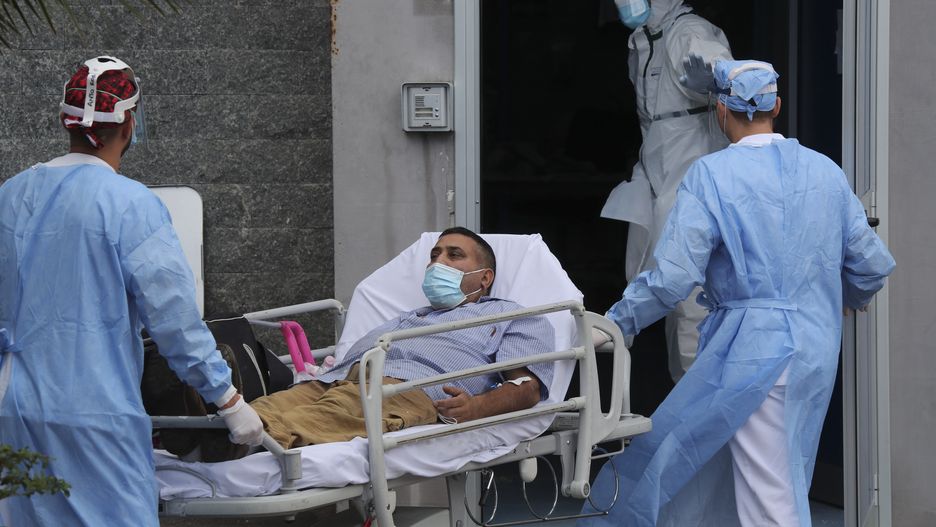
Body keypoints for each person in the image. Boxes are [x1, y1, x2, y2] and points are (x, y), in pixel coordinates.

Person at [581, 60, 895, 526]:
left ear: (719, 110)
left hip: (753, 350)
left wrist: (615, 324)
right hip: (814, 344)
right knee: (780, 469)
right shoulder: (824, 170)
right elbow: (869, 264)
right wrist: (847, 297)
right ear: (778, 106)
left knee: (769, 491)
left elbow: (671, 277)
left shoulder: (712, 174)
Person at [0, 56, 263, 527]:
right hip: (93, 412)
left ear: (67, 121)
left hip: (12, 412)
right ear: (128, 121)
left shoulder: (11, 195)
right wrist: (227, 399)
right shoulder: (131, 204)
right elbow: (174, 321)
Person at [189, 227, 555, 459]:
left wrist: (474, 407)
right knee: (273, 402)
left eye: (453, 255)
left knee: (331, 413)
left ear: (485, 277)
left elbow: (526, 387)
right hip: (337, 380)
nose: (437, 262)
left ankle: (226, 442)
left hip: (410, 391)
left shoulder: (510, 316)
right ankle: (198, 426)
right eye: (434, 255)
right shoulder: (414, 315)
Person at [602, 0, 733, 382]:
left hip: (691, 170)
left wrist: (713, 85)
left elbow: (730, 77)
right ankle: (681, 399)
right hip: (657, 170)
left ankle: (701, 401)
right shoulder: (641, 40)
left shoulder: (690, 31)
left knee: (691, 291)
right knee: (656, 283)